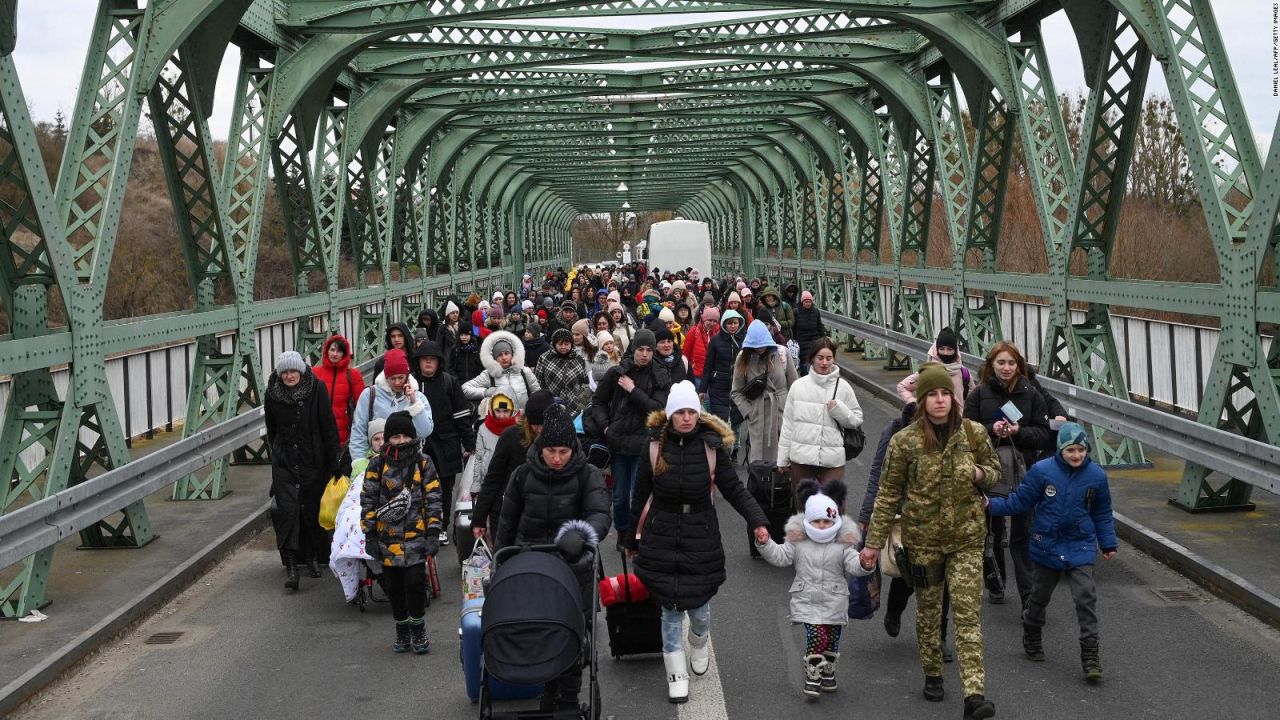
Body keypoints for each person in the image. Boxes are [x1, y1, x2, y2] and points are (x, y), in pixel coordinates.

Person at [861, 363, 1001, 720]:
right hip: (922, 541)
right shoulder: (904, 442)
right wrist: (872, 544)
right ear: (921, 401)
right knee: (928, 611)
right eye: (932, 395)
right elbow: (888, 493)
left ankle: (974, 695)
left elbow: (995, 471)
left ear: (955, 399)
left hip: (966, 539)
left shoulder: (973, 433)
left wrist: (981, 473)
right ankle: (933, 672)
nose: (940, 401)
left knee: (968, 615)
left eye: (945, 394)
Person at [624, 381, 769, 704]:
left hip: (700, 533)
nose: (687, 418)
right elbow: (640, 495)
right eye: (681, 412)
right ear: (671, 414)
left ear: (698, 414)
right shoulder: (653, 447)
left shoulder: (711, 447)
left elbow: (734, 489)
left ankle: (700, 640)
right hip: (662, 532)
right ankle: (676, 673)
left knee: (700, 607)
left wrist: (757, 520)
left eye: (692, 412)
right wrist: (629, 537)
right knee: (670, 609)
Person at [496, 404, 611, 713]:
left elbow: (600, 513)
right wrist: (500, 564)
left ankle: (569, 698)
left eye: (563, 451)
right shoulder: (522, 475)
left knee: (571, 633)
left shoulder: (587, 475)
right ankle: (549, 687)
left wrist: (582, 533)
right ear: (541, 448)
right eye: (551, 451)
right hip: (530, 561)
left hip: (573, 565)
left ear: (572, 448)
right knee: (539, 630)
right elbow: (507, 522)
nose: (557, 458)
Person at [987, 422, 1116, 683]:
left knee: (1086, 597)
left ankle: (1090, 654)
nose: (1077, 455)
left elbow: (1102, 513)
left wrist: (1108, 543)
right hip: (1046, 544)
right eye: (1071, 450)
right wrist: (990, 506)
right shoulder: (1042, 472)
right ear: (1061, 450)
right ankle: (1032, 630)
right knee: (1039, 597)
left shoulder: (1096, 476)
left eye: (1081, 450)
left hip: (1079, 545)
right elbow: (1021, 501)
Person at [858, 401, 955, 661]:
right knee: (908, 572)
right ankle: (895, 609)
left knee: (942, 580)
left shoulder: (951, 431)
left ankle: (939, 637)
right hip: (906, 516)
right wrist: (868, 517)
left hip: (941, 519)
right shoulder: (895, 432)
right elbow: (878, 473)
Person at [757, 479, 871, 697]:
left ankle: (828, 669)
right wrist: (765, 544)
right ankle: (812, 673)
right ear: (808, 520)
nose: (821, 526)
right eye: (817, 521)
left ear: (835, 520)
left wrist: (865, 564)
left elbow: (853, 563)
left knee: (832, 638)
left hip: (834, 600)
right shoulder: (798, 540)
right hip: (807, 599)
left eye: (826, 522)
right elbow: (781, 556)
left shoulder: (842, 542)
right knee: (817, 636)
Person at [964, 341, 1053, 606]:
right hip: (989, 472)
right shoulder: (978, 395)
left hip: (1024, 472)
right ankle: (995, 582)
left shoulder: (1031, 394)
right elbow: (966, 433)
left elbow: (1043, 434)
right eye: (1001, 363)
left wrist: (1018, 432)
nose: (1006, 368)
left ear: (1019, 366)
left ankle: (1028, 594)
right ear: (991, 365)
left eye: (1011, 363)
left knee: (1022, 532)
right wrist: (992, 429)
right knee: (991, 528)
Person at [360, 410, 443, 653]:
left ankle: (418, 628)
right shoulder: (378, 464)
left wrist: (433, 532)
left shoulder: (423, 463)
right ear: (387, 440)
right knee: (393, 586)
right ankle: (402, 628)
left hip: (416, 536)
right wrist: (370, 534)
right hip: (387, 538)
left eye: (406, 436)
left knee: (415, 583)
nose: (401, 441)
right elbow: (368, 500)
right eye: (395, 437)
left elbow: (434, 498)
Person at [264, 350, 341, 589]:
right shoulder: (272, 394)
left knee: (310, 511)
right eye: (285, 372)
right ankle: (291, 565)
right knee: (288, 512)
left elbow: (328, 426)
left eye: (293, 371)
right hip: (285, 463)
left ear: (301, 370)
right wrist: (278, 456)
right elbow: (272, 428)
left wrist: (333, 463)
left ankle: (311, 557)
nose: (289, 376)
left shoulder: (316, 389)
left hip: (312, 462)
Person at [588, 329, 672, 546]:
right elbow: (597, 402)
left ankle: (636, 534)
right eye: (640, 349)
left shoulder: (660, 375)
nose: (644, 354)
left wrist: (633, 390)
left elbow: (658, 409)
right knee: (619, 496)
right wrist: (606, 427)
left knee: (639, 494)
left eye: (648, 350)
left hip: (644, 443)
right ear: (633, 350)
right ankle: (623, 530)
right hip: (618, 442)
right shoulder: (617, 373)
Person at [412, 340, 475, 546]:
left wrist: (470, 444)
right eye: (424, 360)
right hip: (420, 444)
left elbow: (462, 415)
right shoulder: (412, 384)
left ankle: (441, 525)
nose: (428, 364)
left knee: (445, 487)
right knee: (418, 486)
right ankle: (421, 525)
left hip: (446, 441)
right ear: (418, 362)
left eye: (432, 360)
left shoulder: (449, 382)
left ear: (439, 362)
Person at [776, 338, 862, 487]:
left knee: (833, 506)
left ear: (834, 359)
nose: (824, 363)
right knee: (805, 506)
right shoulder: (798, 386)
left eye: (829, 358)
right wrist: (783, 459)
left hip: (832, 459)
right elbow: (788, 425)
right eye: (820, 358)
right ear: (812, 359)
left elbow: (856, 420)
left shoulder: (843, 387)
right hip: (801, 458)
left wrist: (838, 410)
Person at [471, 390, 555, 537]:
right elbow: (493, 479)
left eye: (543, 424)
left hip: (546, 514)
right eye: (535, 424)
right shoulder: (511, 436)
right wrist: (479, 519)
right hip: (508, 511)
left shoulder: (559, 438)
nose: (539, 429)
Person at [731, 320, 797, 465]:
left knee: (785, 462)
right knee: (760, 465)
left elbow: (794, 386)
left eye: (763, 343)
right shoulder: (743, 359)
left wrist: (792, 412)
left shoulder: (782, 354)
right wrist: (750, 412)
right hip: (758, 415)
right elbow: (736, 392)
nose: (760, 348)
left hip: (782, 413)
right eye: (756, 345)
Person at [348, 348, 433, 461]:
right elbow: (358, 432)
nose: (397, 382)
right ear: (386, 377)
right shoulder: (369, 395)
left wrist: (414, 403)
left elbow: (424, 432)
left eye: (401, 377)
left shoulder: (419, 398)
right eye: (392, 378)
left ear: (407, 376)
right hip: (378, 465)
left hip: (410, 464)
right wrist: (360, 464)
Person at [462, 329, 541, 413]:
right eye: (499, 355)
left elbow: (538, 395)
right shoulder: (489, 375)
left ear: (512, 354)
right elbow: (465, 389)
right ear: (495, 358)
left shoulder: (524, 372)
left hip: (523, 420)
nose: (504, 357)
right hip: (501, 421)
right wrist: (485, 392)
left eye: (506, 353)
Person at [312, 334, 365, 453]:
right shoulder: (314, 373)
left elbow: (362, 405)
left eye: (339, 351)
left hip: (343, 432)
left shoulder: (353, 375)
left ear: (345, 354)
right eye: (332, 350)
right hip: (317, 430)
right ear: (326, 351)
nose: (335, 354)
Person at [897, 327, 974, 404]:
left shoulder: (964, 373)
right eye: (942, 349)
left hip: (957, 416)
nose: (945, 353)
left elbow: (973, 398)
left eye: (950, 349)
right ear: (936, 350)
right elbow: (902, 387)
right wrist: (912, 402)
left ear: (955, 351)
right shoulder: (927, 372)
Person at [703, 309, 746, 434]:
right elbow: (708, 365)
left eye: (735, 323)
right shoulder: (716, 341)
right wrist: (702, 389)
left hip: (739, 384)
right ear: (724, 324)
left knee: (738, 415)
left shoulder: (744, 340)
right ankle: (722, 444)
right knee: (720, 416)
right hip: (718, 384)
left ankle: (735, 442)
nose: (733, 326)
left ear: (740, 323)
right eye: (729, 323)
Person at [535, 327, 591, 414]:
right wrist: (548, 399)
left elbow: (584, 382)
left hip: (575, 406)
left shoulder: (578, 359)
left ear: (571, 344)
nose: (563, 347)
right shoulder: (544, 358)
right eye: (560, 344)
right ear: (554, 344)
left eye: (566, 344)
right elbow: (538, 384)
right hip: (552, 406)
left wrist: (580, 401)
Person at [683, 306, 719, 391]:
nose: (712, 323)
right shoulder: (694, 331)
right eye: (709, 320)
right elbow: (686, 353)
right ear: (703, 319)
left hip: (713, 375)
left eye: (715, 321)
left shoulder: (719, 334)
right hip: (697, 375)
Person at [792, 291, 827, 376]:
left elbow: (819, 325)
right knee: (803, 360)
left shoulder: (815, 311)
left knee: (813, 358)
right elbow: (793, 327)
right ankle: (804, 376)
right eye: (806, 302)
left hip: (814, 339)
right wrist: (794, 338)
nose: (808, 303)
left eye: (810, 302)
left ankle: (814, 375)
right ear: (802, 302)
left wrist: (823, 338)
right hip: (801, 340)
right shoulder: (796, 312)